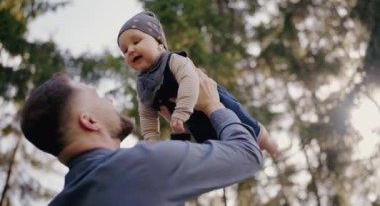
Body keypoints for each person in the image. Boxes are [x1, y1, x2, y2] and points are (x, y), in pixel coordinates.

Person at [20, 72, 264, 206]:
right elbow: (248, 154)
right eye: (98, 96)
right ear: (90, 121)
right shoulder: (144, 165)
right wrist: (213, 105)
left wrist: (179, 137)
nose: (110, 101)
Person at [117, 11, 278, 157]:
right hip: (190, 119)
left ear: (160, 44)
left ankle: (266, 142)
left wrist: (181, 111)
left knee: (242, 120)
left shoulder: (173, 60)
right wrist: (151, 138)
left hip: (211, 101)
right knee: (208, 142)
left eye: (136, 42)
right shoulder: (143, 84)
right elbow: (146, 112)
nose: (130, 50)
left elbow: (189, 80)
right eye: (124, 50)